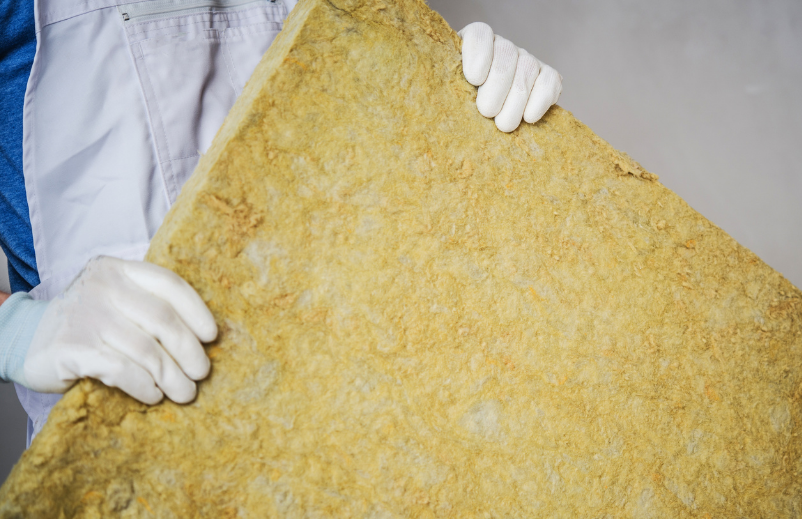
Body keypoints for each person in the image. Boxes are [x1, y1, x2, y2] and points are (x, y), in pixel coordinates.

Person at [0, 0, 562, 445]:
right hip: (125, 445)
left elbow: (377, 182)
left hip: (348, 420)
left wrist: (459, 100)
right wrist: (18, 333)